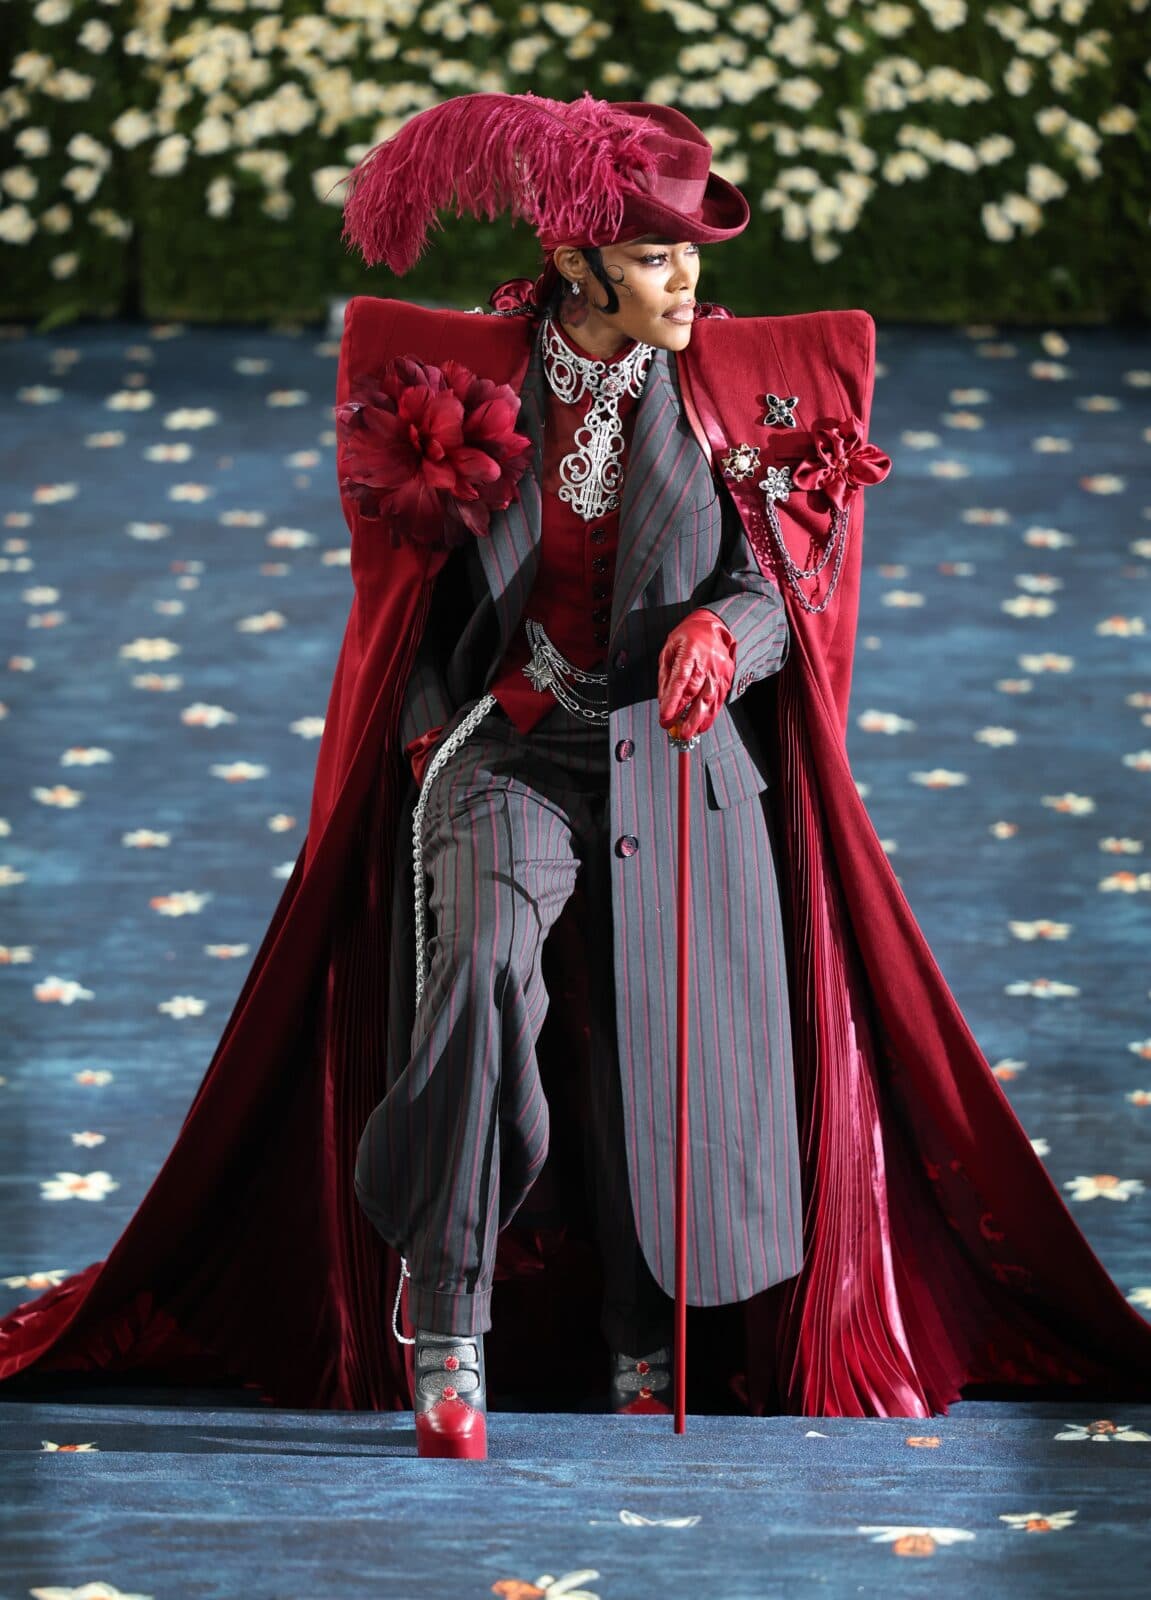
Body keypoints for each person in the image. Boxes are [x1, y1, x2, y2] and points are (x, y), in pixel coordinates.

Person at [2, 94, 1148, 1459]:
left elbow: (782, 585)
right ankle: (449, 1326)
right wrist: (428, 738)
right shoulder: (474, 392)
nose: (689, 283)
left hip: (678, 756)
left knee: (644, 1029)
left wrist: (725, 638)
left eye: (694, 255)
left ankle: (641, 1335)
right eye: (660, 258)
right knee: (482, 963)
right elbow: (403, 611)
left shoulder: (722, 395)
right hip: (511, 750)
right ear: (578, 264)